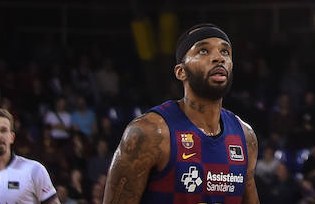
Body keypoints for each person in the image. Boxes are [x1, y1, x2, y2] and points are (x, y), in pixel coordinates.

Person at [102, 25, 258, 204]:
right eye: (204, 51)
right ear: (181, 71)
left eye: (225, 52)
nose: (218, 58)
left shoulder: (245, 137)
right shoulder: (149, 132)